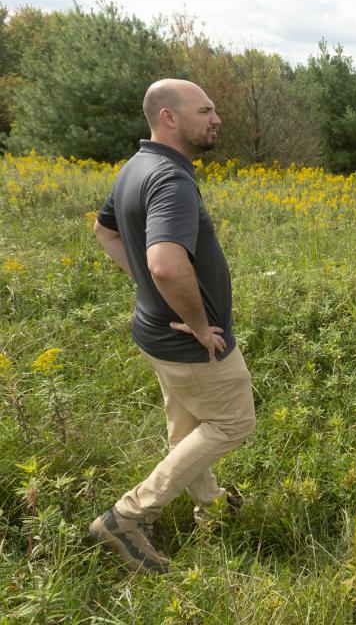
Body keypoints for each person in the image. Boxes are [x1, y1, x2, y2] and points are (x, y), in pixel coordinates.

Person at [88, 79, 256, 574]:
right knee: (233, 422)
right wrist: (200, 324)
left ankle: (211, 507)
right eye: (205, 110)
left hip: (154, 332)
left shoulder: (135, 167)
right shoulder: (171, 180)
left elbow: (104, 231)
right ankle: (127, 516)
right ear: (169, 117)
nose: (216, 119)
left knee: (187, 426)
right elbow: (164, 263)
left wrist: (147, 287)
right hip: (189, 342)